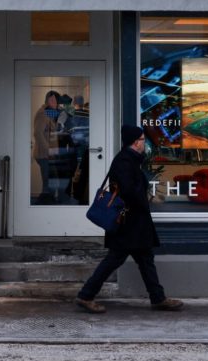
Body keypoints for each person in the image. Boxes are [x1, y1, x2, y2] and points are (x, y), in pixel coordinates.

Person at [75, 125, 184, 313]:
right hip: (128, 223)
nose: (144, 142)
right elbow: (128, 191)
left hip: (134, 222)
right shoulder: (124, 161)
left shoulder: (130, 160)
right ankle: (86, 295)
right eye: (142, 139)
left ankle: (158, 298)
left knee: (145, 259)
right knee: (115, 259)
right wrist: (146, 199)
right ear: (135, 142)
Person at [32, 90, 61, 203]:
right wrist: (48, 150)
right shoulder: (42, 113)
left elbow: (51, 130)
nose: (55, 102)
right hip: (44, 155)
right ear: (46, 101)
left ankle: (47, 204)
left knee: (50, 182)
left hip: (48, 154)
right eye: (52, 100)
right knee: (49, 183)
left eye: (56, 100)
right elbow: (37, 133)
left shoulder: (50, 113)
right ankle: (44, 204)